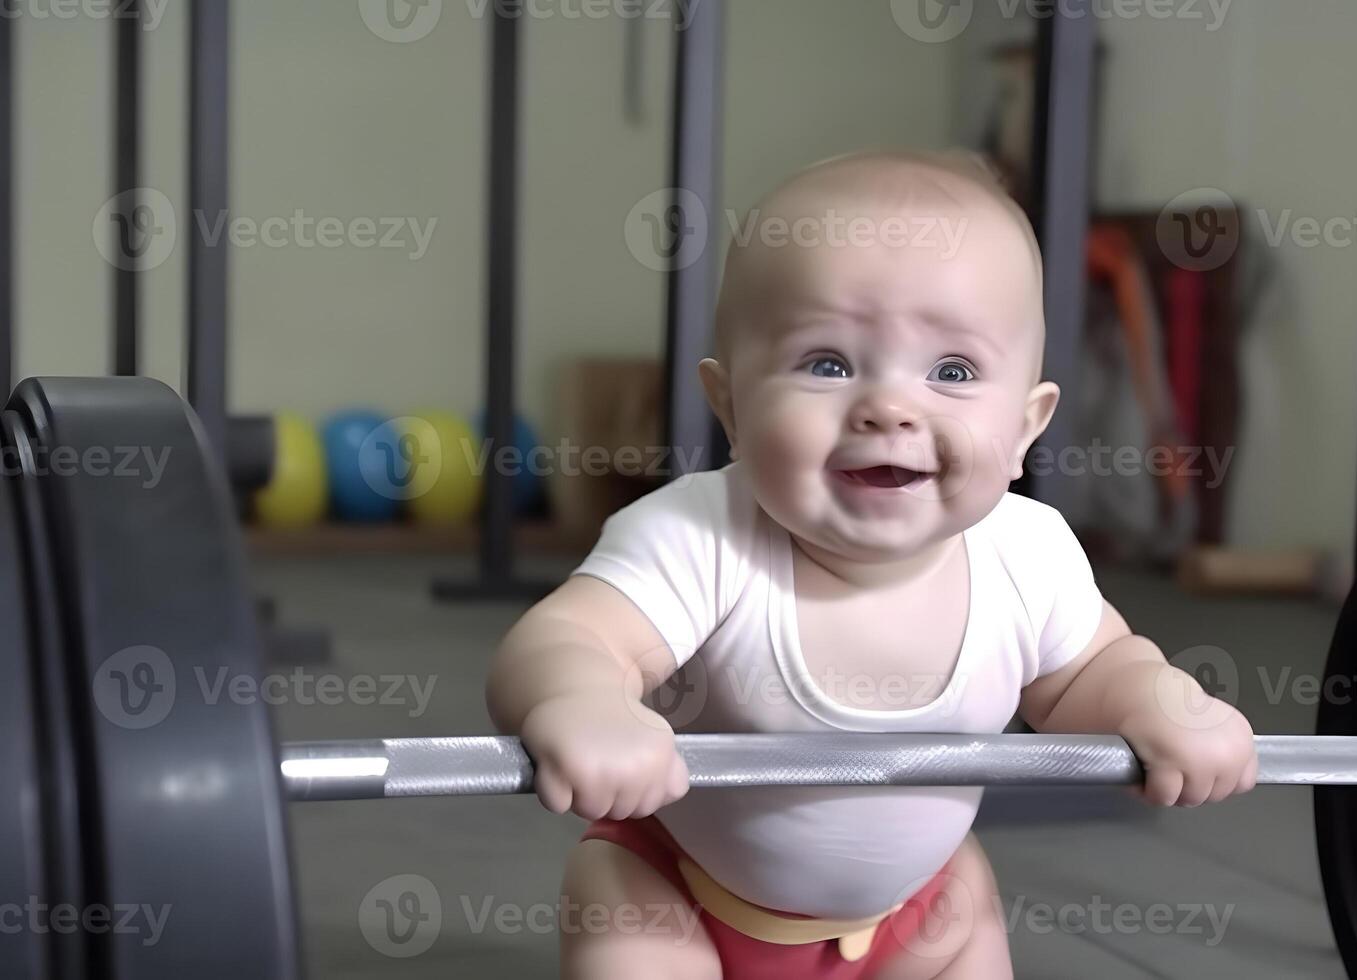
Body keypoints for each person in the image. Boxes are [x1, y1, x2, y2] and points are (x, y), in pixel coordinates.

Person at [486, 149, 1258, 980]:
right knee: (615, 899)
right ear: (732, 406)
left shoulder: (1027, 554)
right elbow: (566, 637)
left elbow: (1093, 673)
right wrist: (581, 699)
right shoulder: (698, 535)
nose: (890, 407)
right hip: (685, 904)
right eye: (828, 363)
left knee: (966, 900)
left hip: (912, 918)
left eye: (952, 372)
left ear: (1028, 428)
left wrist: (1159, 700)